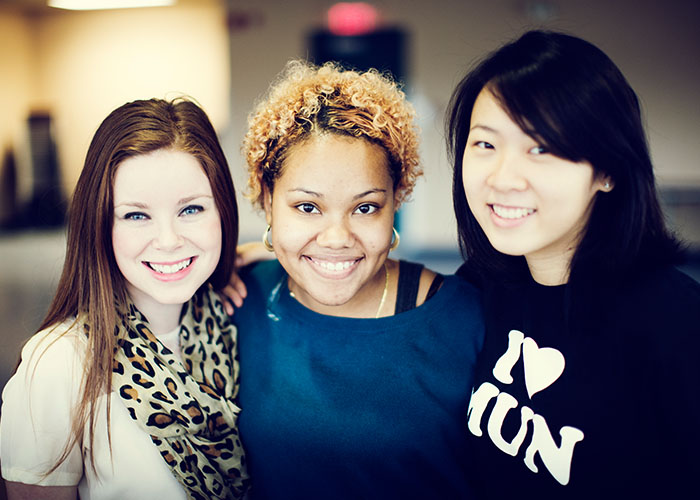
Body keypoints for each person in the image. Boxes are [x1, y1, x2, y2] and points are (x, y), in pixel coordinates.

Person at [446, 29, 700, 498]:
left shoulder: (676, 324)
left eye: (541, 147)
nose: (503, 178)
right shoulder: (485, 286)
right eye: (485, 144)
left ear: (607, 171)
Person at [232, 60, 484, 499]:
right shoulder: (241, 298)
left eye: (365, 207)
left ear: (395, 202)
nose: (336, 239)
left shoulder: (464, 319)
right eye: (307, 207)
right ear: (267, 199)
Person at [0, 98, 249, 500]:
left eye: (192, 209)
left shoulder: (234, 318)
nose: (169, 240)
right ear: (99, 223)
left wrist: (258, 253)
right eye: (136, 215)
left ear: (223, 211)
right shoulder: (58, 364)